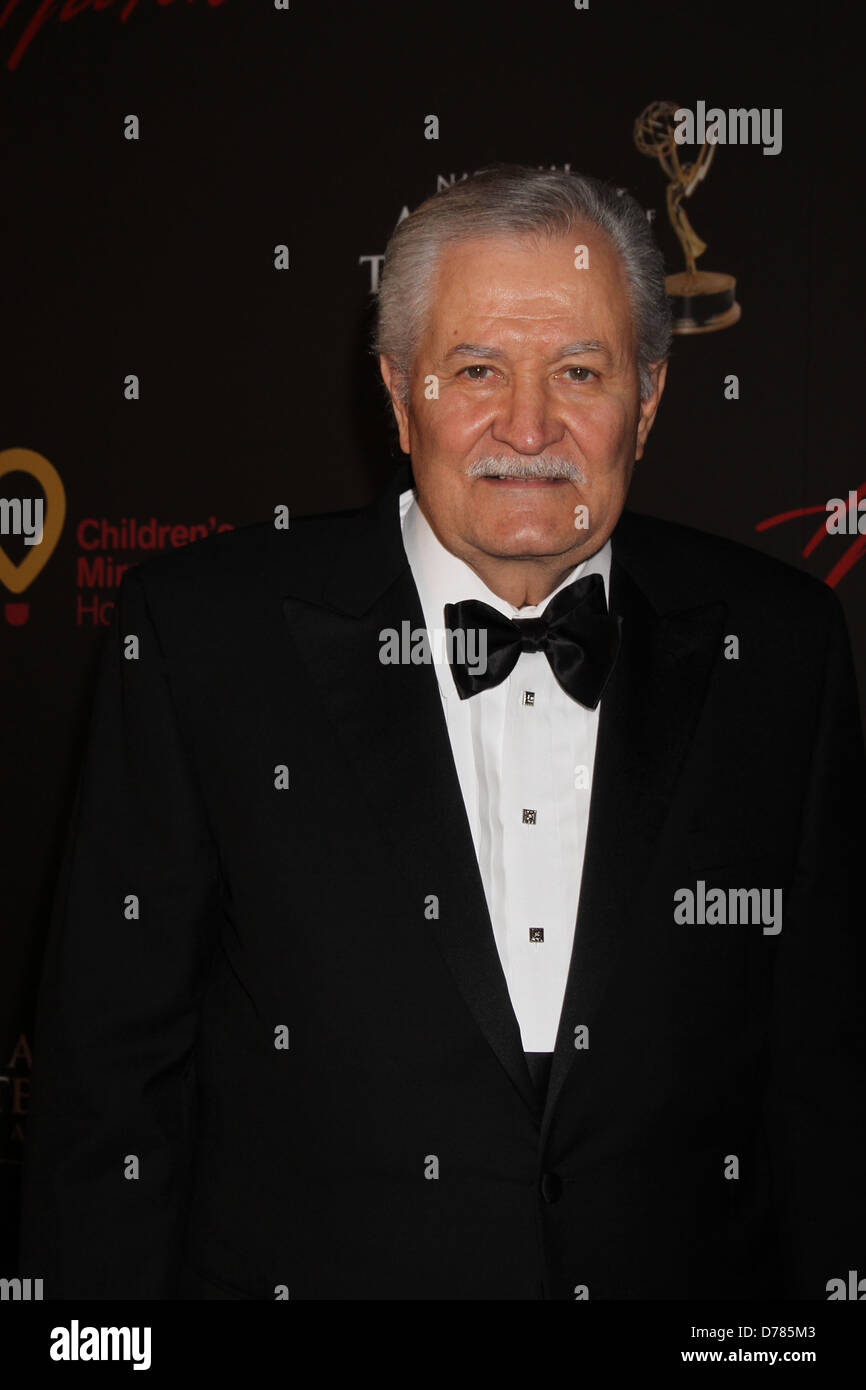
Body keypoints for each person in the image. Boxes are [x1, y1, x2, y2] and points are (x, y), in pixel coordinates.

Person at [20, 165, 865, 1300]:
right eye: (475, 370)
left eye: (579, 370)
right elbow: (111, 1081)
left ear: (649, 400)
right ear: (395, 389)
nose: (528, 425)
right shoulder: (199, 637)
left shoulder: (780, 645)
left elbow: (824, 1082)